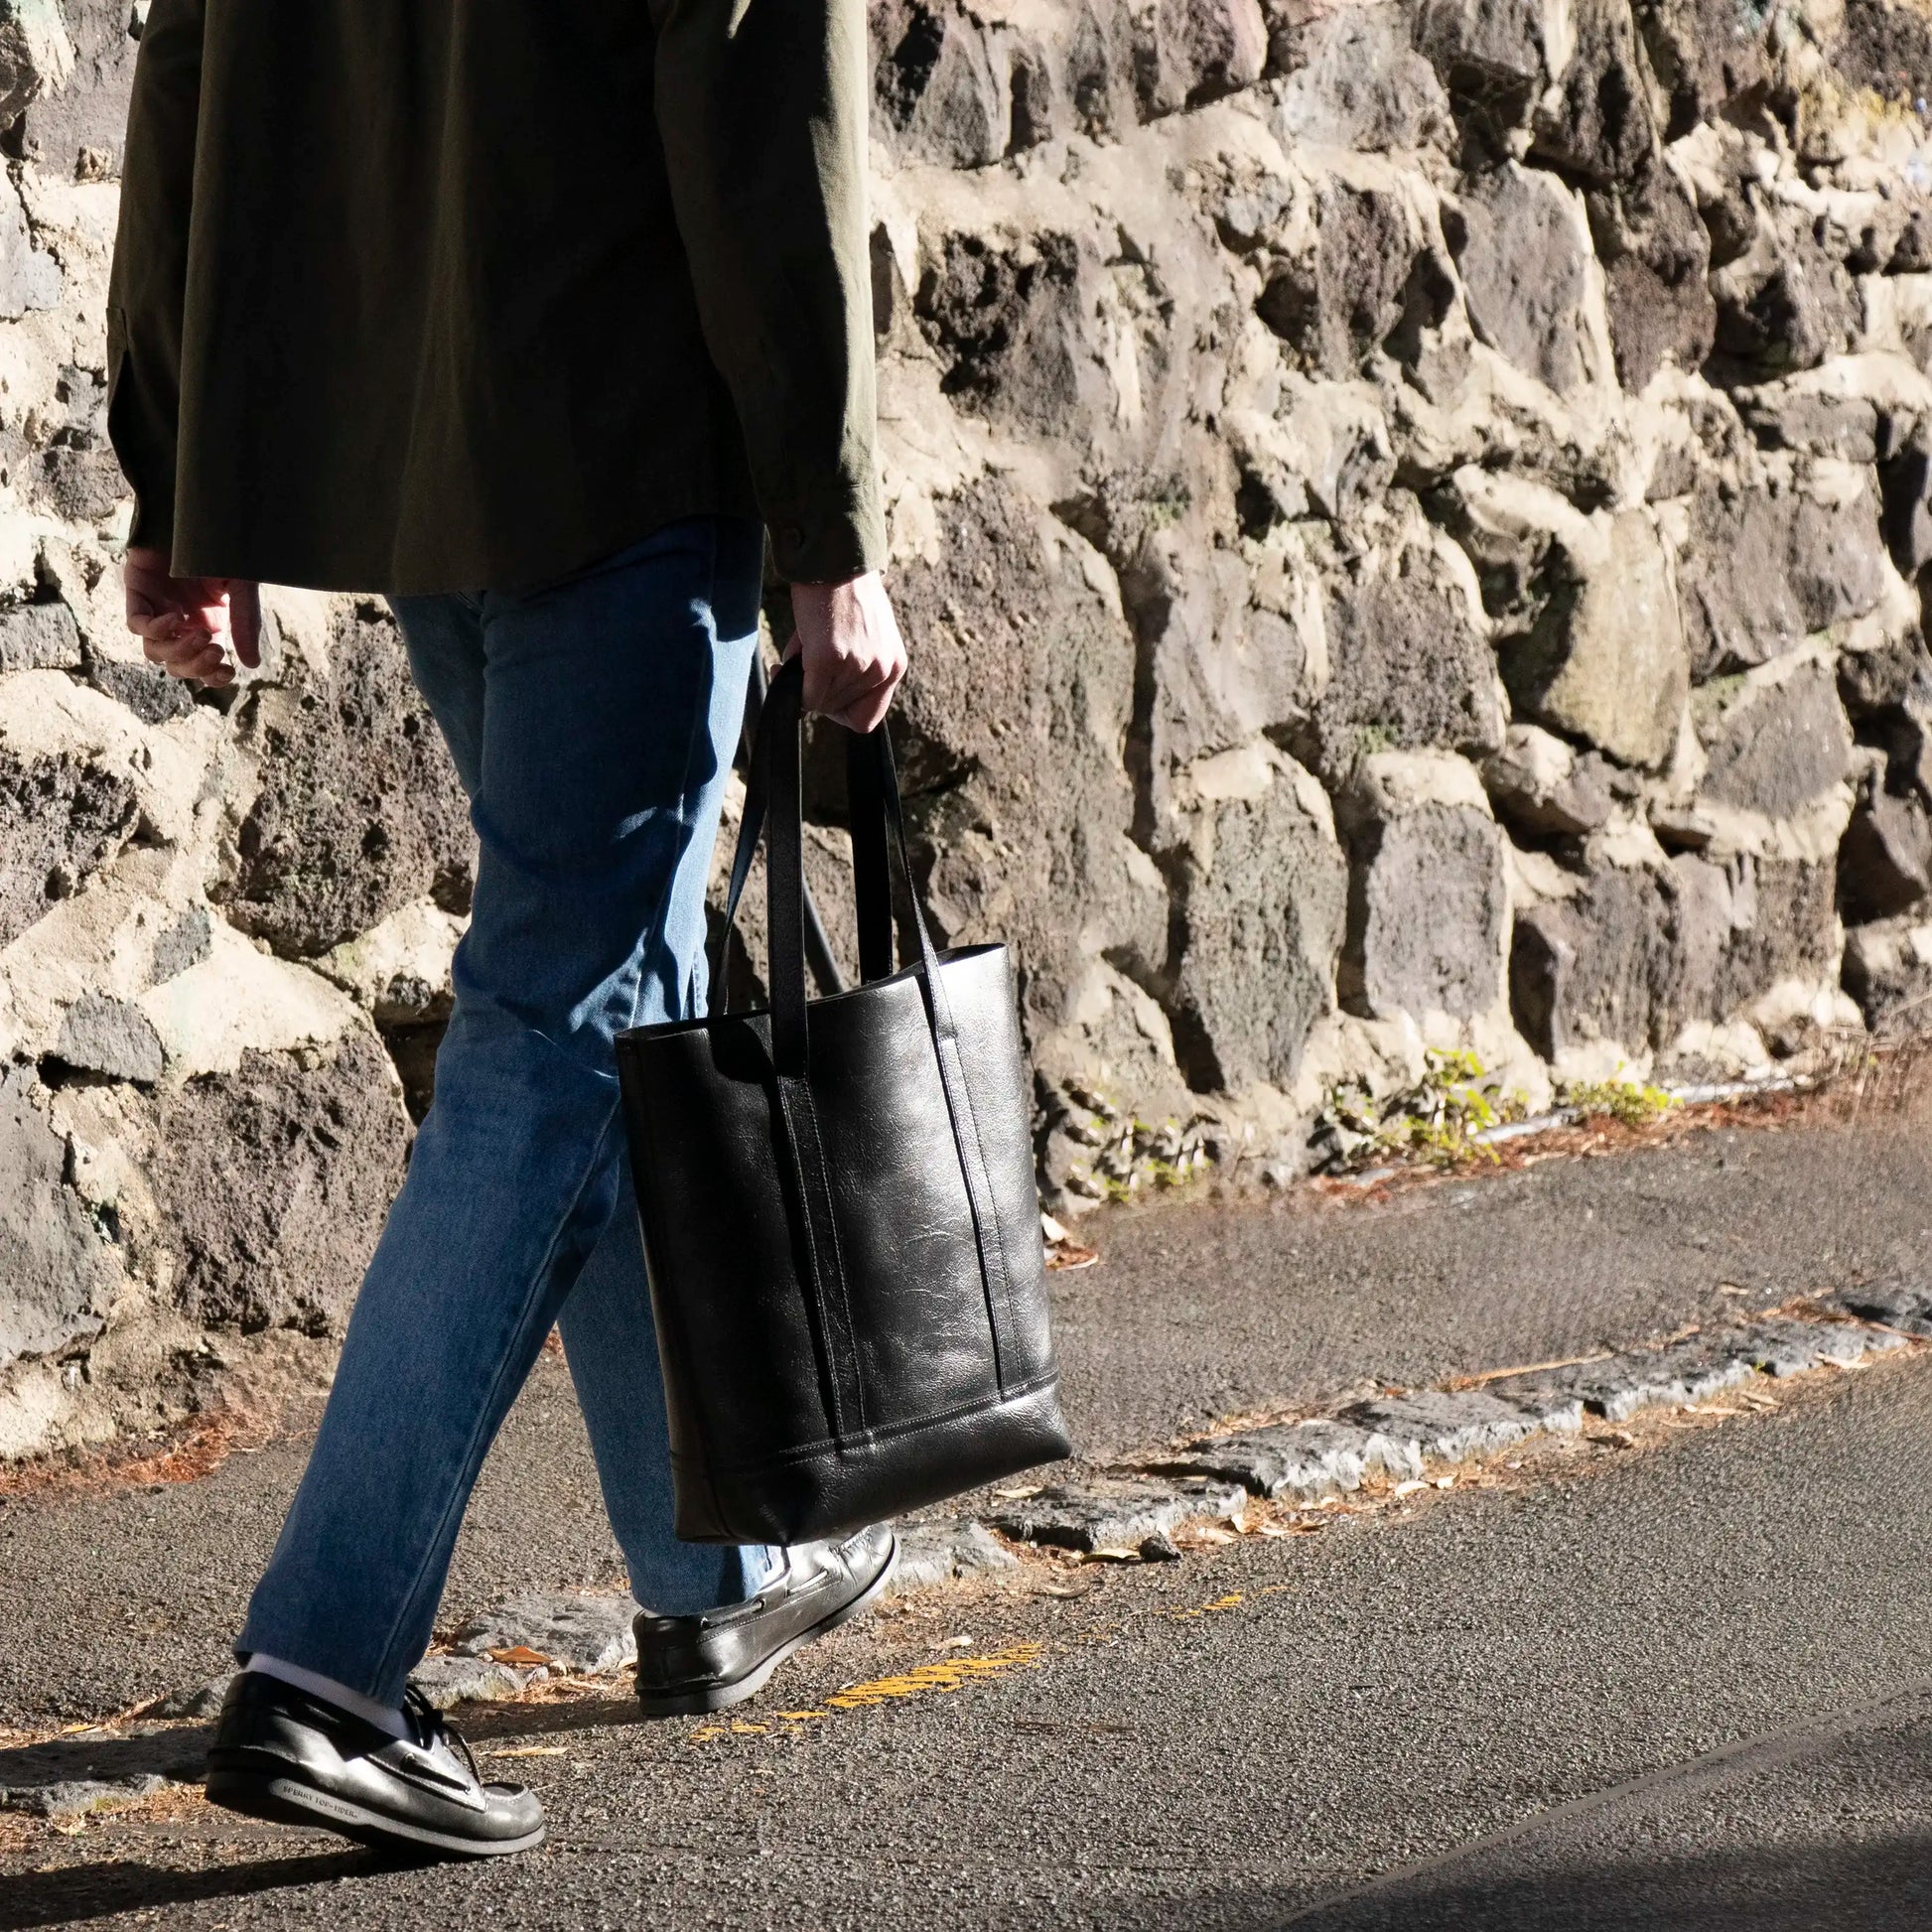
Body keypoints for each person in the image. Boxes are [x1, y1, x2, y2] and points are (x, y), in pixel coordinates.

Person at [106, 0, 906, 1862]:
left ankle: (716, 1566)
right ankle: (327, 1670)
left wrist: (182, 470)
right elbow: (765, 90)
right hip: (628, 449)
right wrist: (829, 522)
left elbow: (190, 74)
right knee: (558, 1025)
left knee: (610, 1003)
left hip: (419, 465)